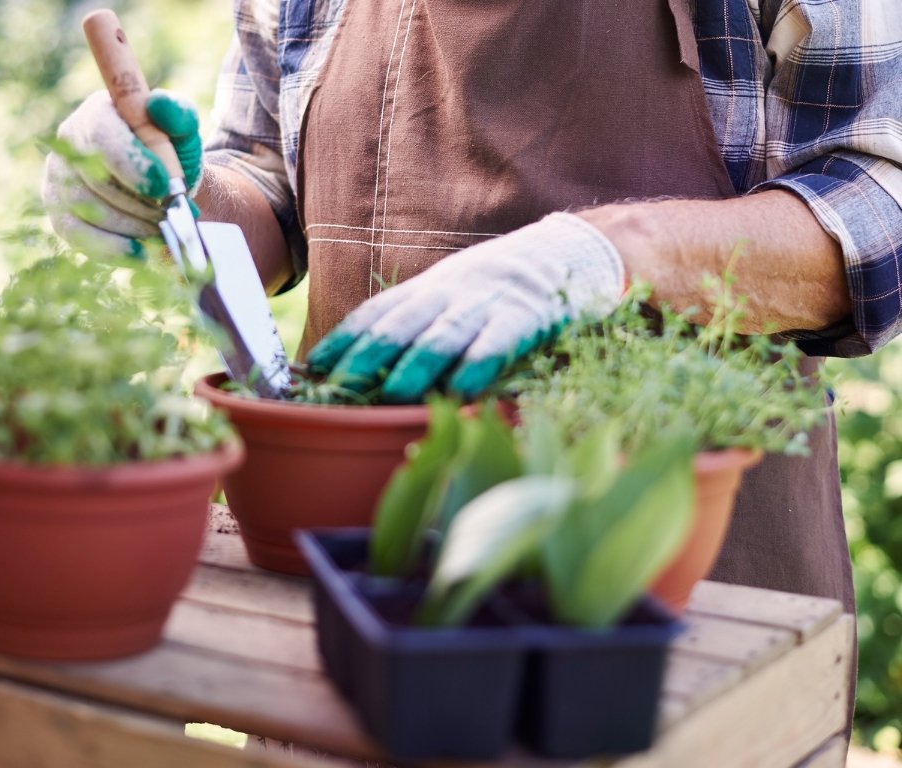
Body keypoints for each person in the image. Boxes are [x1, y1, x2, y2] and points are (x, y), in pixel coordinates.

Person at [44, 0, 901, 733]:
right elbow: (271, 180)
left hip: (674, 619)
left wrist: (614, 254)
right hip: (352, 612)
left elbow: (882, 195)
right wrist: (172, 203)